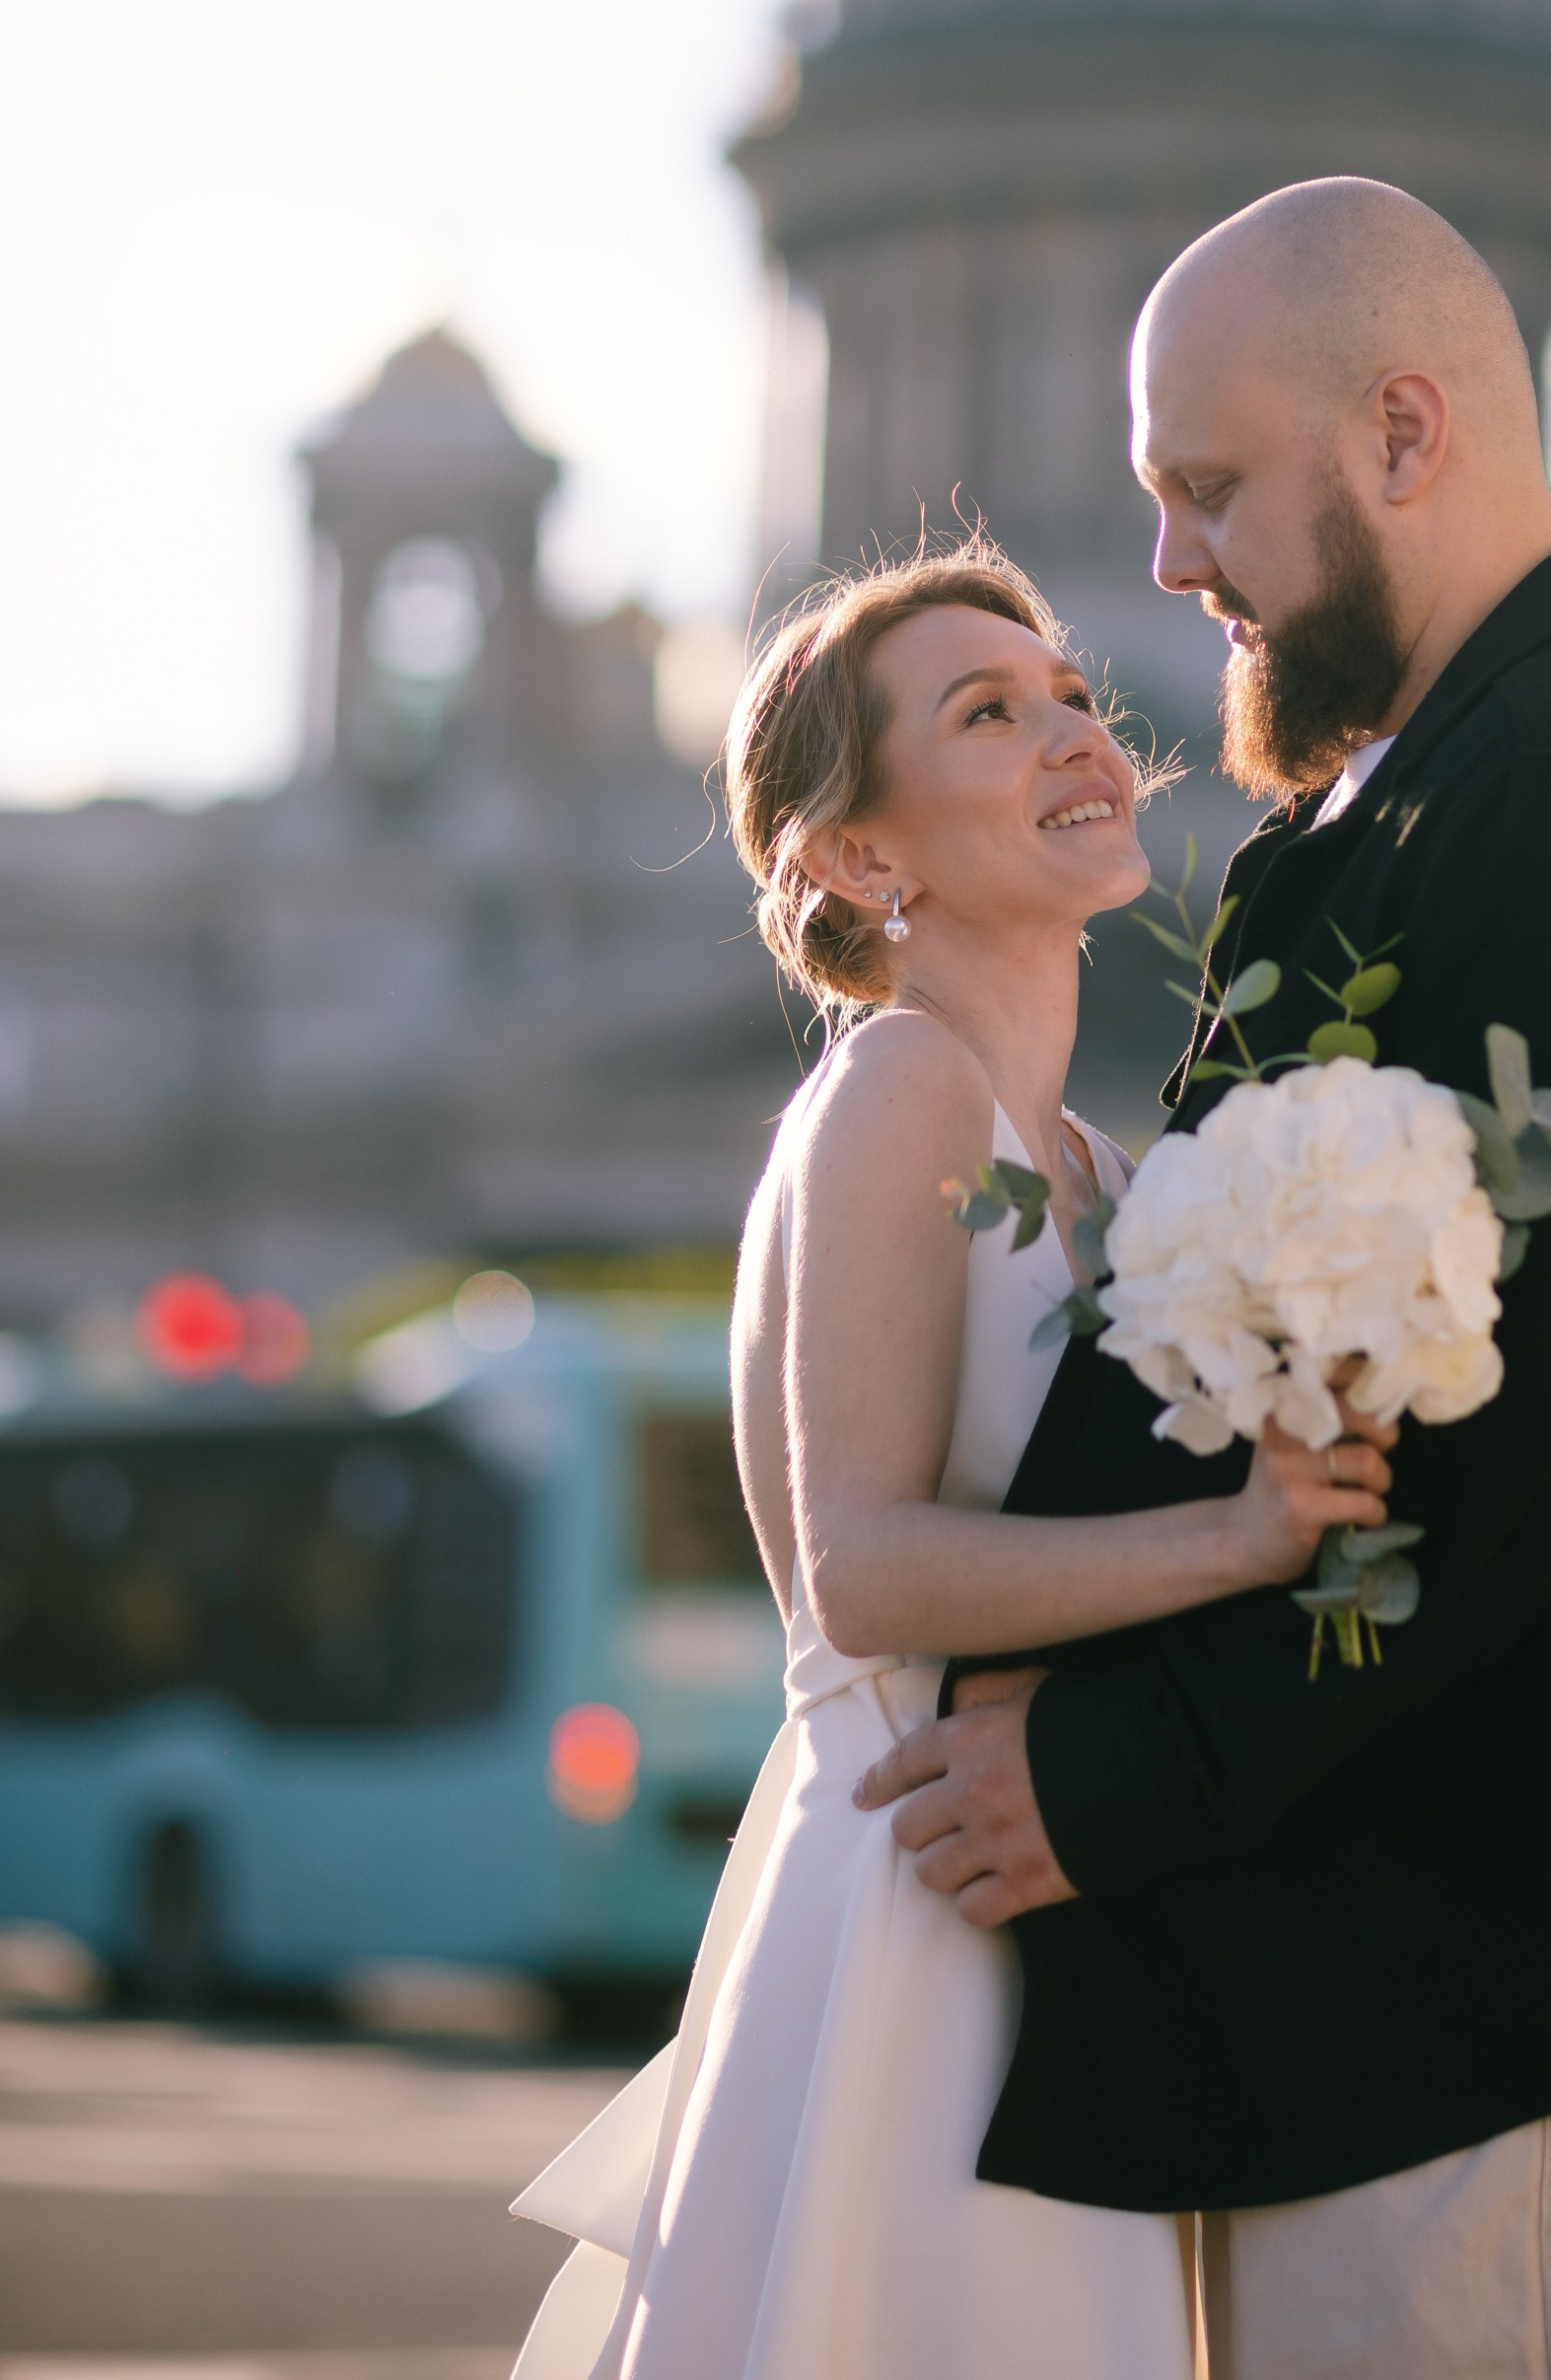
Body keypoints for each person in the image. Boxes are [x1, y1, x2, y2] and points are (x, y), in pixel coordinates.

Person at [856, 179, 1551, 2380]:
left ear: (1404, 433)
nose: (1173, 567)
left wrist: (1118, 1781)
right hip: (1443, 2031)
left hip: (1525, 2039)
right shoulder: (1450, 786)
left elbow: (1541, 1423)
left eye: (1207, 490)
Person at [507, 546, 1395, 2380]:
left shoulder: (1101, 1168)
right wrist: (1249, 1536)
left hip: (1042, 1901)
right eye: (987, 715)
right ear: (856, 856)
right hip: (918, 1910)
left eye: (1068, 693)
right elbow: (868, 1568)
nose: (1076, 732)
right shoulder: (897, 1084)